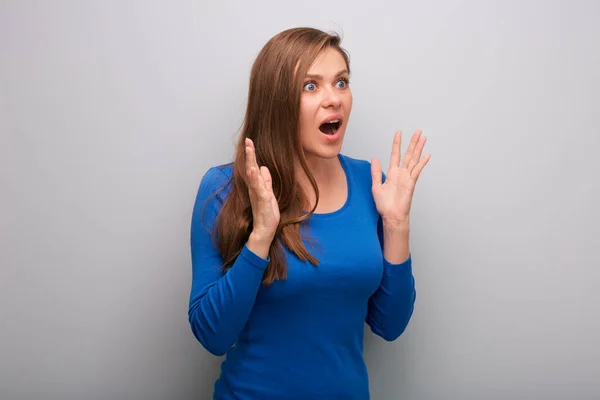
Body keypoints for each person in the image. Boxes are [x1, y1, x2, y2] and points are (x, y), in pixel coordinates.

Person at [188, 27, 430, 400]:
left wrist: (397, 225)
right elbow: (213, 336)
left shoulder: (373, 186)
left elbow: (390, 324)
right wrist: (262, 235)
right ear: (277, 101)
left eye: (341, 82)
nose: (334, 99)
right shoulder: (224, 188)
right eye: (310, 86)